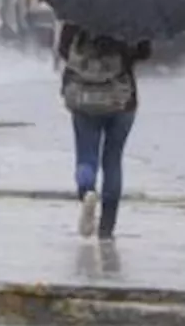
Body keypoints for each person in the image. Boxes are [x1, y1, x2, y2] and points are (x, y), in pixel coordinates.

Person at [57, 23, 151, 240]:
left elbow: (64, 50)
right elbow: (144, 52)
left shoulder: (77, 13)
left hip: (83, 97)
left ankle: (87, 190)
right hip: (121, 99)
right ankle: (107, 228)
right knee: (113, 160)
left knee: (86, 155)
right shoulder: (132, 15)